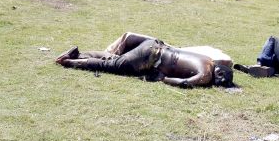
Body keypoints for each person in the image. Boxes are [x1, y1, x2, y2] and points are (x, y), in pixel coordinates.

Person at [55, 32, 234, 89]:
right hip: (151, 56)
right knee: (113, 65)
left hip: (155, 44)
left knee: (116, 59)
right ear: (217, 72)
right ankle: (69, 62)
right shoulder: (206, 74)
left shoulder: (208, 59)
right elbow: (185, 83)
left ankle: (79, 54)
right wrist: (163, 79)